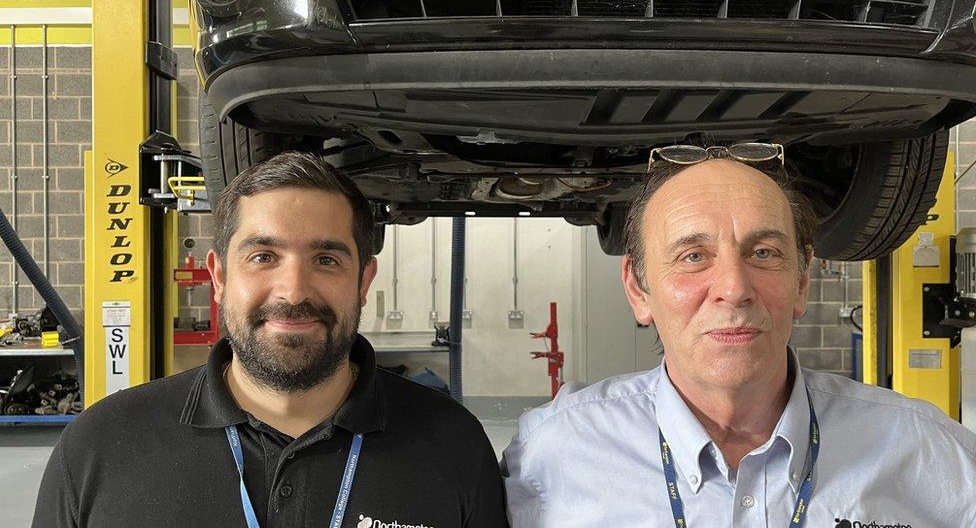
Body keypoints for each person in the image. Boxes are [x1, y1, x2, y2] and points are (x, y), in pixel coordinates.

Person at [502, 144, 976, 526]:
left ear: (801, 283)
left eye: (765, 252)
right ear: (638, 289)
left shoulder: (928, 451)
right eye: (692, 256)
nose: (734, 288)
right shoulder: (554, 450)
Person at [34, 152, 508, 527]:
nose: (294, 291)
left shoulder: (453, 446)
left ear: (363, 281)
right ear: (218, 277)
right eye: (263, 256)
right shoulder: (100, 448)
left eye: (326, 259)